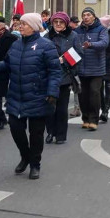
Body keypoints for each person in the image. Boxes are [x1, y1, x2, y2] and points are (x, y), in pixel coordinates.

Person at [5, 14, 62, 180]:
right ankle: (25, 156)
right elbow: (7, 65)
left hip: (39, 96)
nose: (20, 26)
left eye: (24, 24)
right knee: (15, 128)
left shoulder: (46, 46)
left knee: (36, 133)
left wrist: (52, 92)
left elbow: (54, 71)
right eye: (19, 24)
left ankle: (35, 164)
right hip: (16, 95)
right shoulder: (15, 45)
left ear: (34, 26)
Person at [45, 12, 81, 143]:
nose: (58, 24)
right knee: (49, 108)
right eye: (56, 22)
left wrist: (64, 61)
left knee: (61, 108)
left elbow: (79, 54)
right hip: (48, 77)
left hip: (65, 77)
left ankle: (60, 135)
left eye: (61, 22)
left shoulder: (73, 36)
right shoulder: (47, 36)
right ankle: (50, 132)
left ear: (66, 24)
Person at [72, 8, 108, 130]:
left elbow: (104, 43)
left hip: (97, 68)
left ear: (93, 16)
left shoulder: (101, 29)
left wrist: (91, 44)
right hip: (82, 68)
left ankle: (94, 120)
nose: (86, 17)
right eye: (84, 15)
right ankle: (85, 118)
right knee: (83, 95)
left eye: (88, 15)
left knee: (94, 93)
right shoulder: (77, 31)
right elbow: (73, 45)